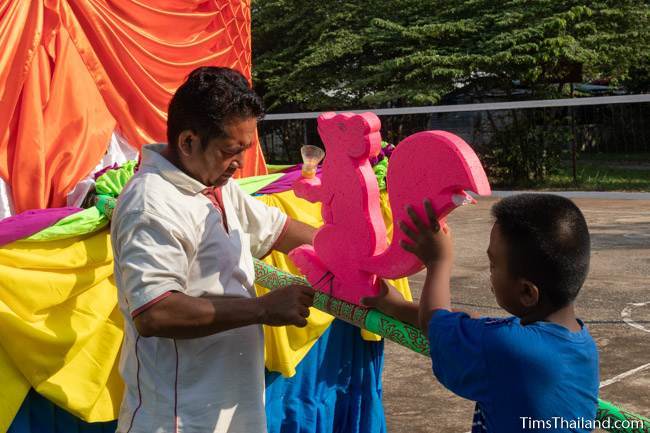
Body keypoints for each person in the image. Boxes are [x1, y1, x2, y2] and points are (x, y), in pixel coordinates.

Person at [111, 66, 317, 433]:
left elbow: (278, 229)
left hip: (230, 408)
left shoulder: (215, 184)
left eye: (245, 150)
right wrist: (263, 308)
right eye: (230, 151)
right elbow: (155, 312)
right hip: (180, 418)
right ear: (189, 141)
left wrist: (354, 254)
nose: (239, 165)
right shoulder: (150, 203)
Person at [363, 194, 599, 432]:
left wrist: (438, 261)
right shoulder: (580, 345)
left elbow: (434, 323)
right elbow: (474, 324)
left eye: (493, 264)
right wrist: (396, 306)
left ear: (527, 292)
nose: (490, 271)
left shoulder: (510, 349)